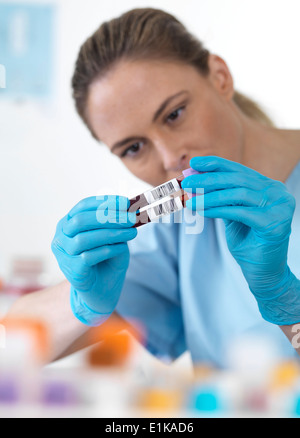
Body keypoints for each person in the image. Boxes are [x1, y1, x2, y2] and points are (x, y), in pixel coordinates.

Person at [7, 8, 300, 366]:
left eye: (174, 114)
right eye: (133, 148)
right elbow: (11, 342)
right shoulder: (182, 226)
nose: (170, 156)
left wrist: (285, 300)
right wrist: (82, 303)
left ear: (220, 77)